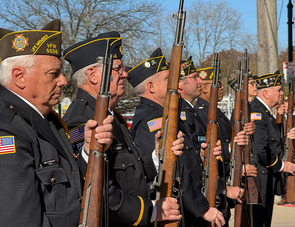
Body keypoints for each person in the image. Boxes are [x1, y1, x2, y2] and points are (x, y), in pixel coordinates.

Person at [0, 20, 113, 227]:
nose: (63, 81)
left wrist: (88, 151)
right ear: (20, 77)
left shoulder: (48, 121)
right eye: (53, 73)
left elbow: (73, 186)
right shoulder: (4, 130)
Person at [62, 32, 183, 226]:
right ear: (93, 75)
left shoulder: (111, 115)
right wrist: (150, 210)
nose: (125, 74)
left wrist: (158, 154)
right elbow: (97, 189)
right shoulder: (82, 121)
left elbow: (132, 172)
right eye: (118, 69)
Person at [128, 48, 229, 227]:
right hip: (176, 210)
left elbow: (186, 159)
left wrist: (202, 157)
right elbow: (173, 169)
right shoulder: (152, 119)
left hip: (186, 207)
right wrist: (202, 208)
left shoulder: (165, 114)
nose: (176, 84)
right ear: (151, 87)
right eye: (168, 79)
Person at [179, 59, 250, 224]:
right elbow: (190, 163)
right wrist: (222, 187)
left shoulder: (201, 112)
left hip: (218, 181)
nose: (222, 87)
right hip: (205, 193)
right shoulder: (196, 113)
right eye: (216, 84)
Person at [250, 72, 295, 227]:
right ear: (266, 93)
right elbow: (261, 150)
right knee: (259, 222)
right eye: (278, 90)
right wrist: (283, 166)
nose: (282, 93)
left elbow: (272, 143)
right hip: (260, 179)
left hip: (266, 177)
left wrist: (287, 137)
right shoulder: (257, 113)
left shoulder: (265, 113)